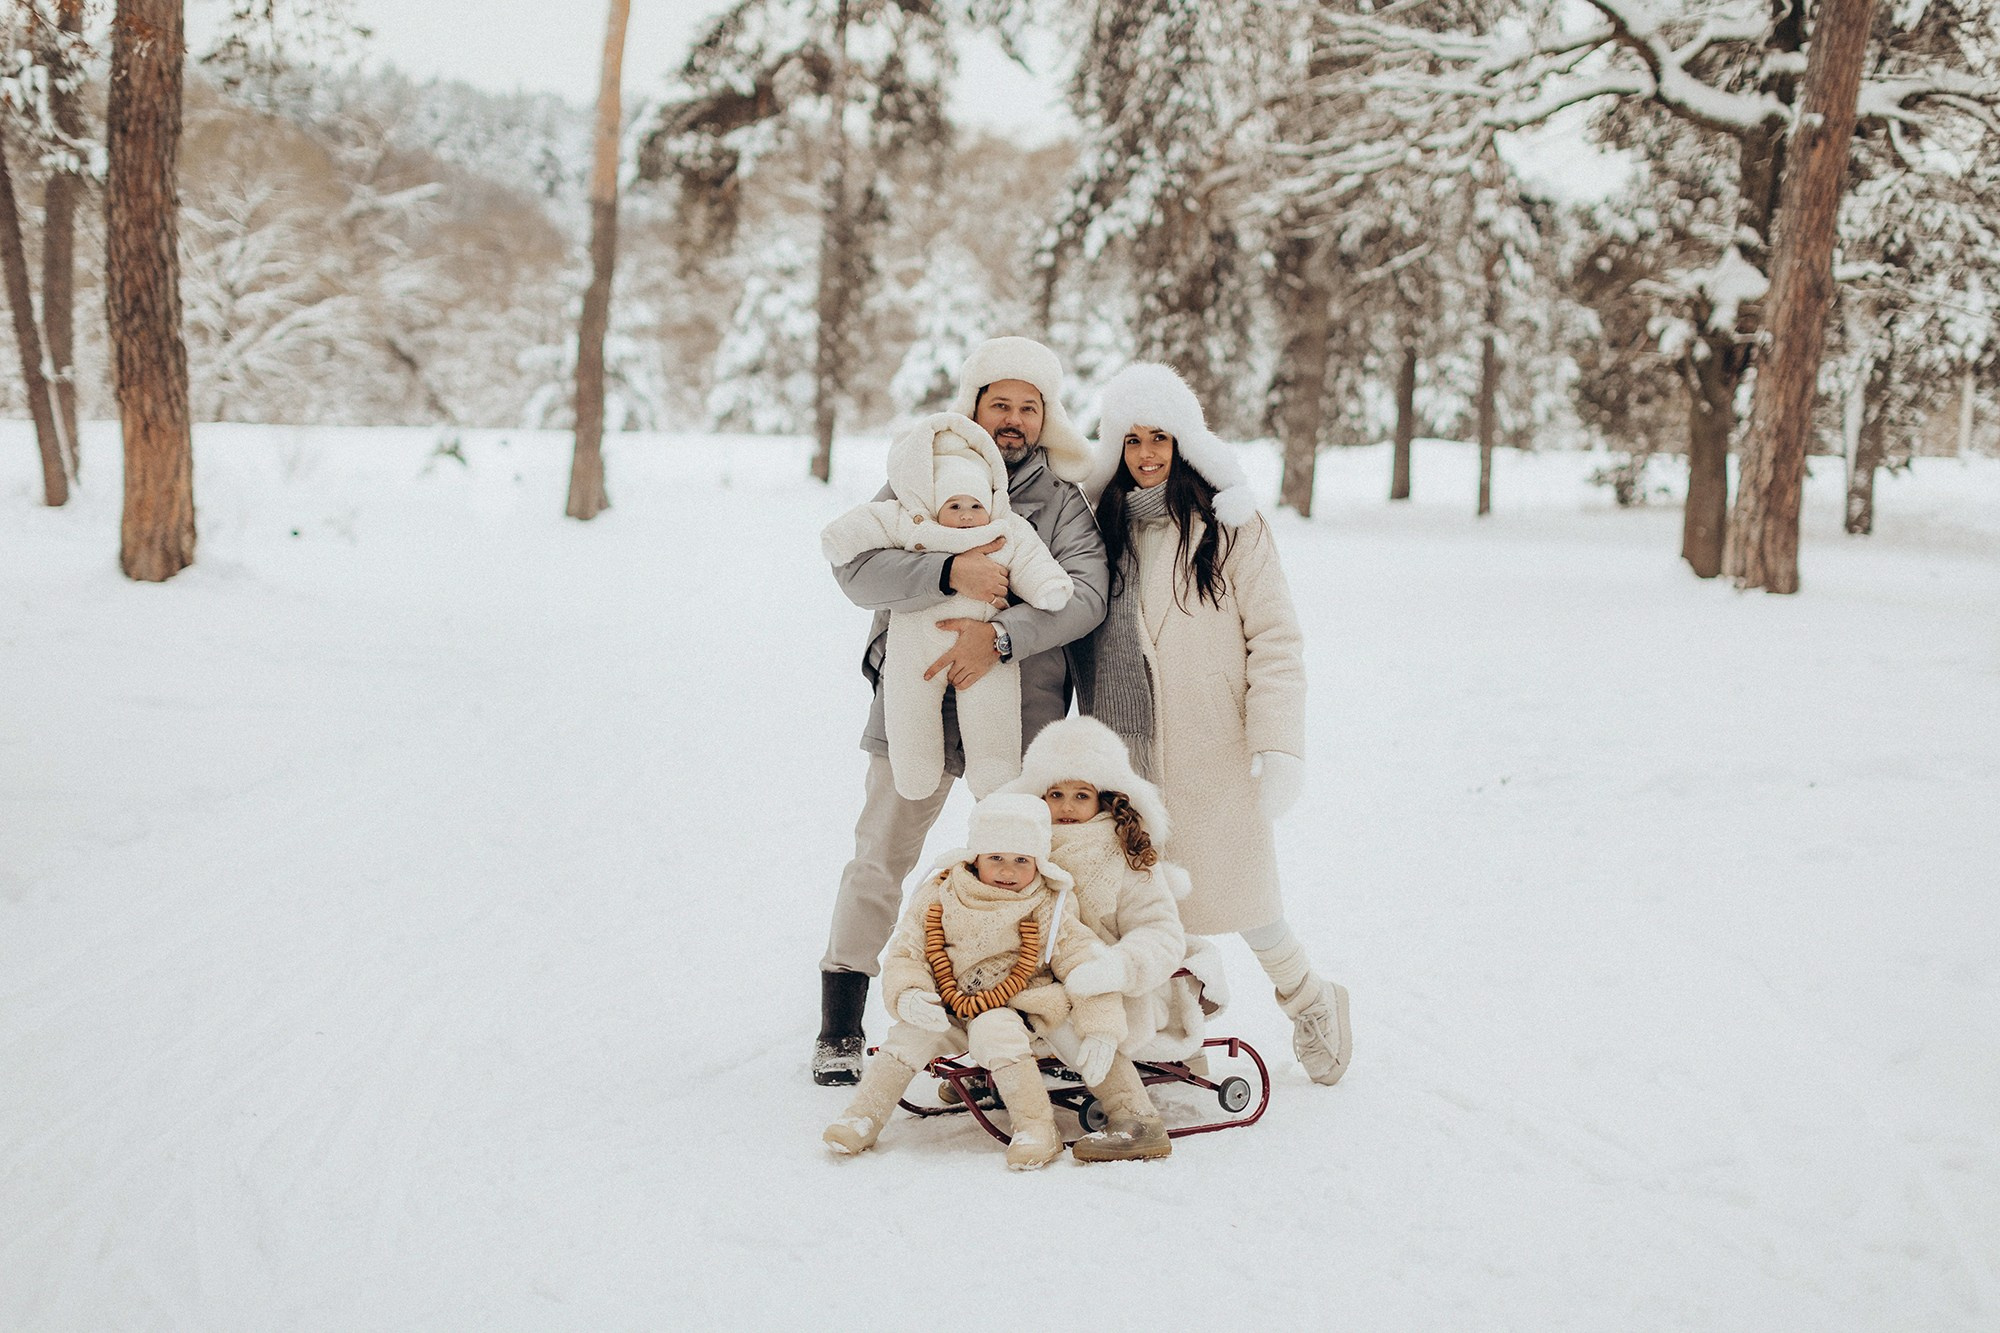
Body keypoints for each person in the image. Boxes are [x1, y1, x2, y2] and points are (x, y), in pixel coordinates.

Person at [815, 337, 1109, 1086]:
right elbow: (857, 568)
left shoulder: (1061, 502)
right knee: (879, 857)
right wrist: (949, 568)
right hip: (910, 704)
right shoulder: (919, 473)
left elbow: (1084, 594)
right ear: (974, 407)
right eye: (999, 404)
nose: (1012, 420)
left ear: (1045, 418)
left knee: (1030, 871)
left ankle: (1033, 1019)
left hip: (1017, 722)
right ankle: (841, 1023)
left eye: (1027, 407)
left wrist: (1002, 636)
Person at [1074, 362, 1352, 1086]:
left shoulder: (1230, 524)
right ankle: (1173, 1036)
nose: (1146, 454)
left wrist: (1278, 744)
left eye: (1159, 437)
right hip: (1125, 750)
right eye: (1131, 440)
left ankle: (1311, 999)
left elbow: (1277, 638)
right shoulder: (1099, 528)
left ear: (1184, 440)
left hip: (1214, 744)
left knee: (1246, 898)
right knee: (1149, 906)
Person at [821, 794, 1126, 1170]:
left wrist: (1101, 1025)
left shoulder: (1048, 904)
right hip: (946, 1006)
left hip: (1011, 1008)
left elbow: (1086, 963)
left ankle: (1035, 1128)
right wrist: (910, 993)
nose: (1008, 871)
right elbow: (908, 952)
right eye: (996, 857)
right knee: (910, 1033)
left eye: (1021, 861)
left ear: (1038, 863)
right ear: (975, 857)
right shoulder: (941, 894)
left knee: (997, 1032)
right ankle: (863, 1115)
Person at [999, 716, 1230, 1162]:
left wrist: (1114, 969)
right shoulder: (1024, 848)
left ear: (1105, 798)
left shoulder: (1126, 855)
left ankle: (1134, 1115)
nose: (1066, 806)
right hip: (1038, 973)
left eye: (1081, 794)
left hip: (1120, 985)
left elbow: (1161, 932)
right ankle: (999, 1069)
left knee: (1059, 1010)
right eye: (1055, 794)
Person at [820, 411, 1074, 802]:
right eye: (954, 507)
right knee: (910, 706)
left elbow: (1044, 570)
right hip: (914, 647)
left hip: (992, 655)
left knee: (992, 713)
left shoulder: (1015, 522)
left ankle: (994, 773)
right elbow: (865, 535)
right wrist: (949, 571)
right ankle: (914, 770)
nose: (967, 517)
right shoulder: (914, 512)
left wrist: (1041, 595)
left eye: (1028, 408)